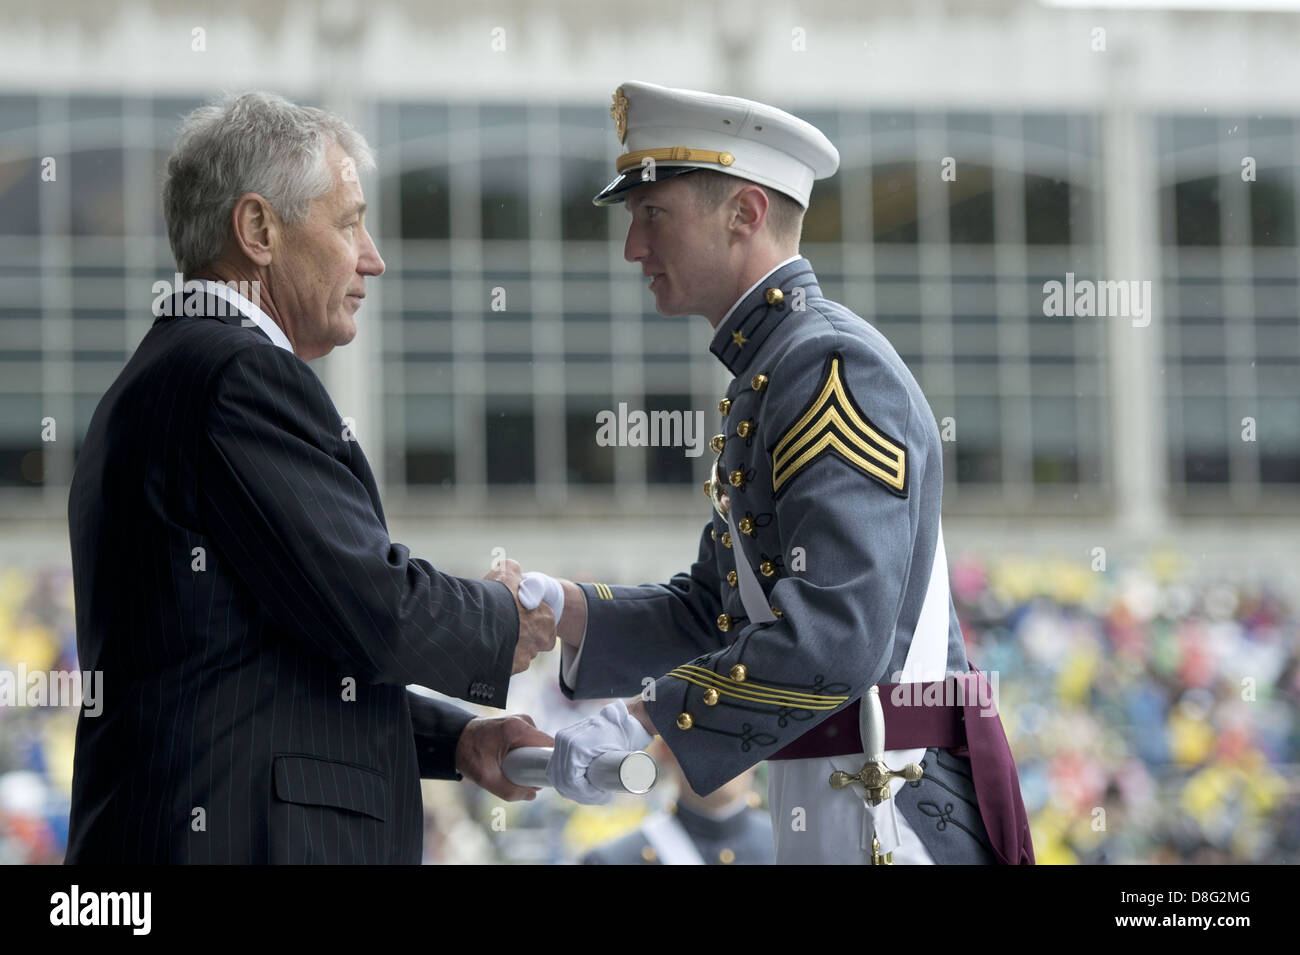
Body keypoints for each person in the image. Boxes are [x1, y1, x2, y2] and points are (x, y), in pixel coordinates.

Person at [534, 81, 1034, 864]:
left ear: (745, 214)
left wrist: (652, 721)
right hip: (843, 795)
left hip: (891, 809)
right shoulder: (774, 367)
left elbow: (836, 634)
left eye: (652, 213)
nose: (633, 245)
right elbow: (715, 609)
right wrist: (565, 608)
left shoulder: (826, 364)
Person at [65, 91, 555, 864]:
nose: (373, 255)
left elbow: (272, 659)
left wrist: (456, 737)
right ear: (259, 229)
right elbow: (374, 608)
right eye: (349, 219)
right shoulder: (239, 375)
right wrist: (506, 618)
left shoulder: (166, 374)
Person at [582, 740, 773, 865]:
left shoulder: (789, 851)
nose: (720, 754)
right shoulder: (611, 860)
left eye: (739, 738)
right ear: (666, 750)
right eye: (704, 738)